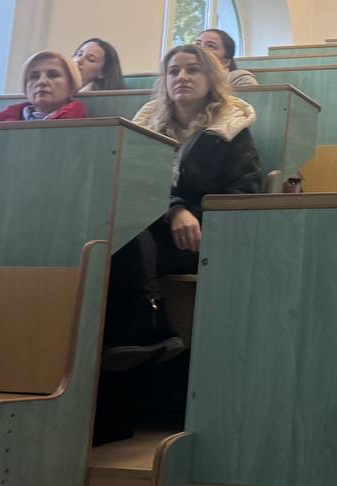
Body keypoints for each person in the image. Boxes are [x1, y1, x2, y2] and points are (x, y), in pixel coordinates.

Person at [104, 45, 263, 372]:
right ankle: (147, 324)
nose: (182, 77)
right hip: (146, 232)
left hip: (202, 237)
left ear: (211, 78)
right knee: (116, 234)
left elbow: (243, 195)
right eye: (173, 71)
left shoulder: (232, 132)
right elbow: (131, 184)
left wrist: (193, 215)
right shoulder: (147, 129)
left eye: (193, 69)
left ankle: (151, 323)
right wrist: (174, 209)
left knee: (124, 239)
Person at [0, 51, 88, 121]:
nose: (41, 81)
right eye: (34, 76)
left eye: (53, 75)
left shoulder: (80, 125)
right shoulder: (2, 122)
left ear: (71, 84)